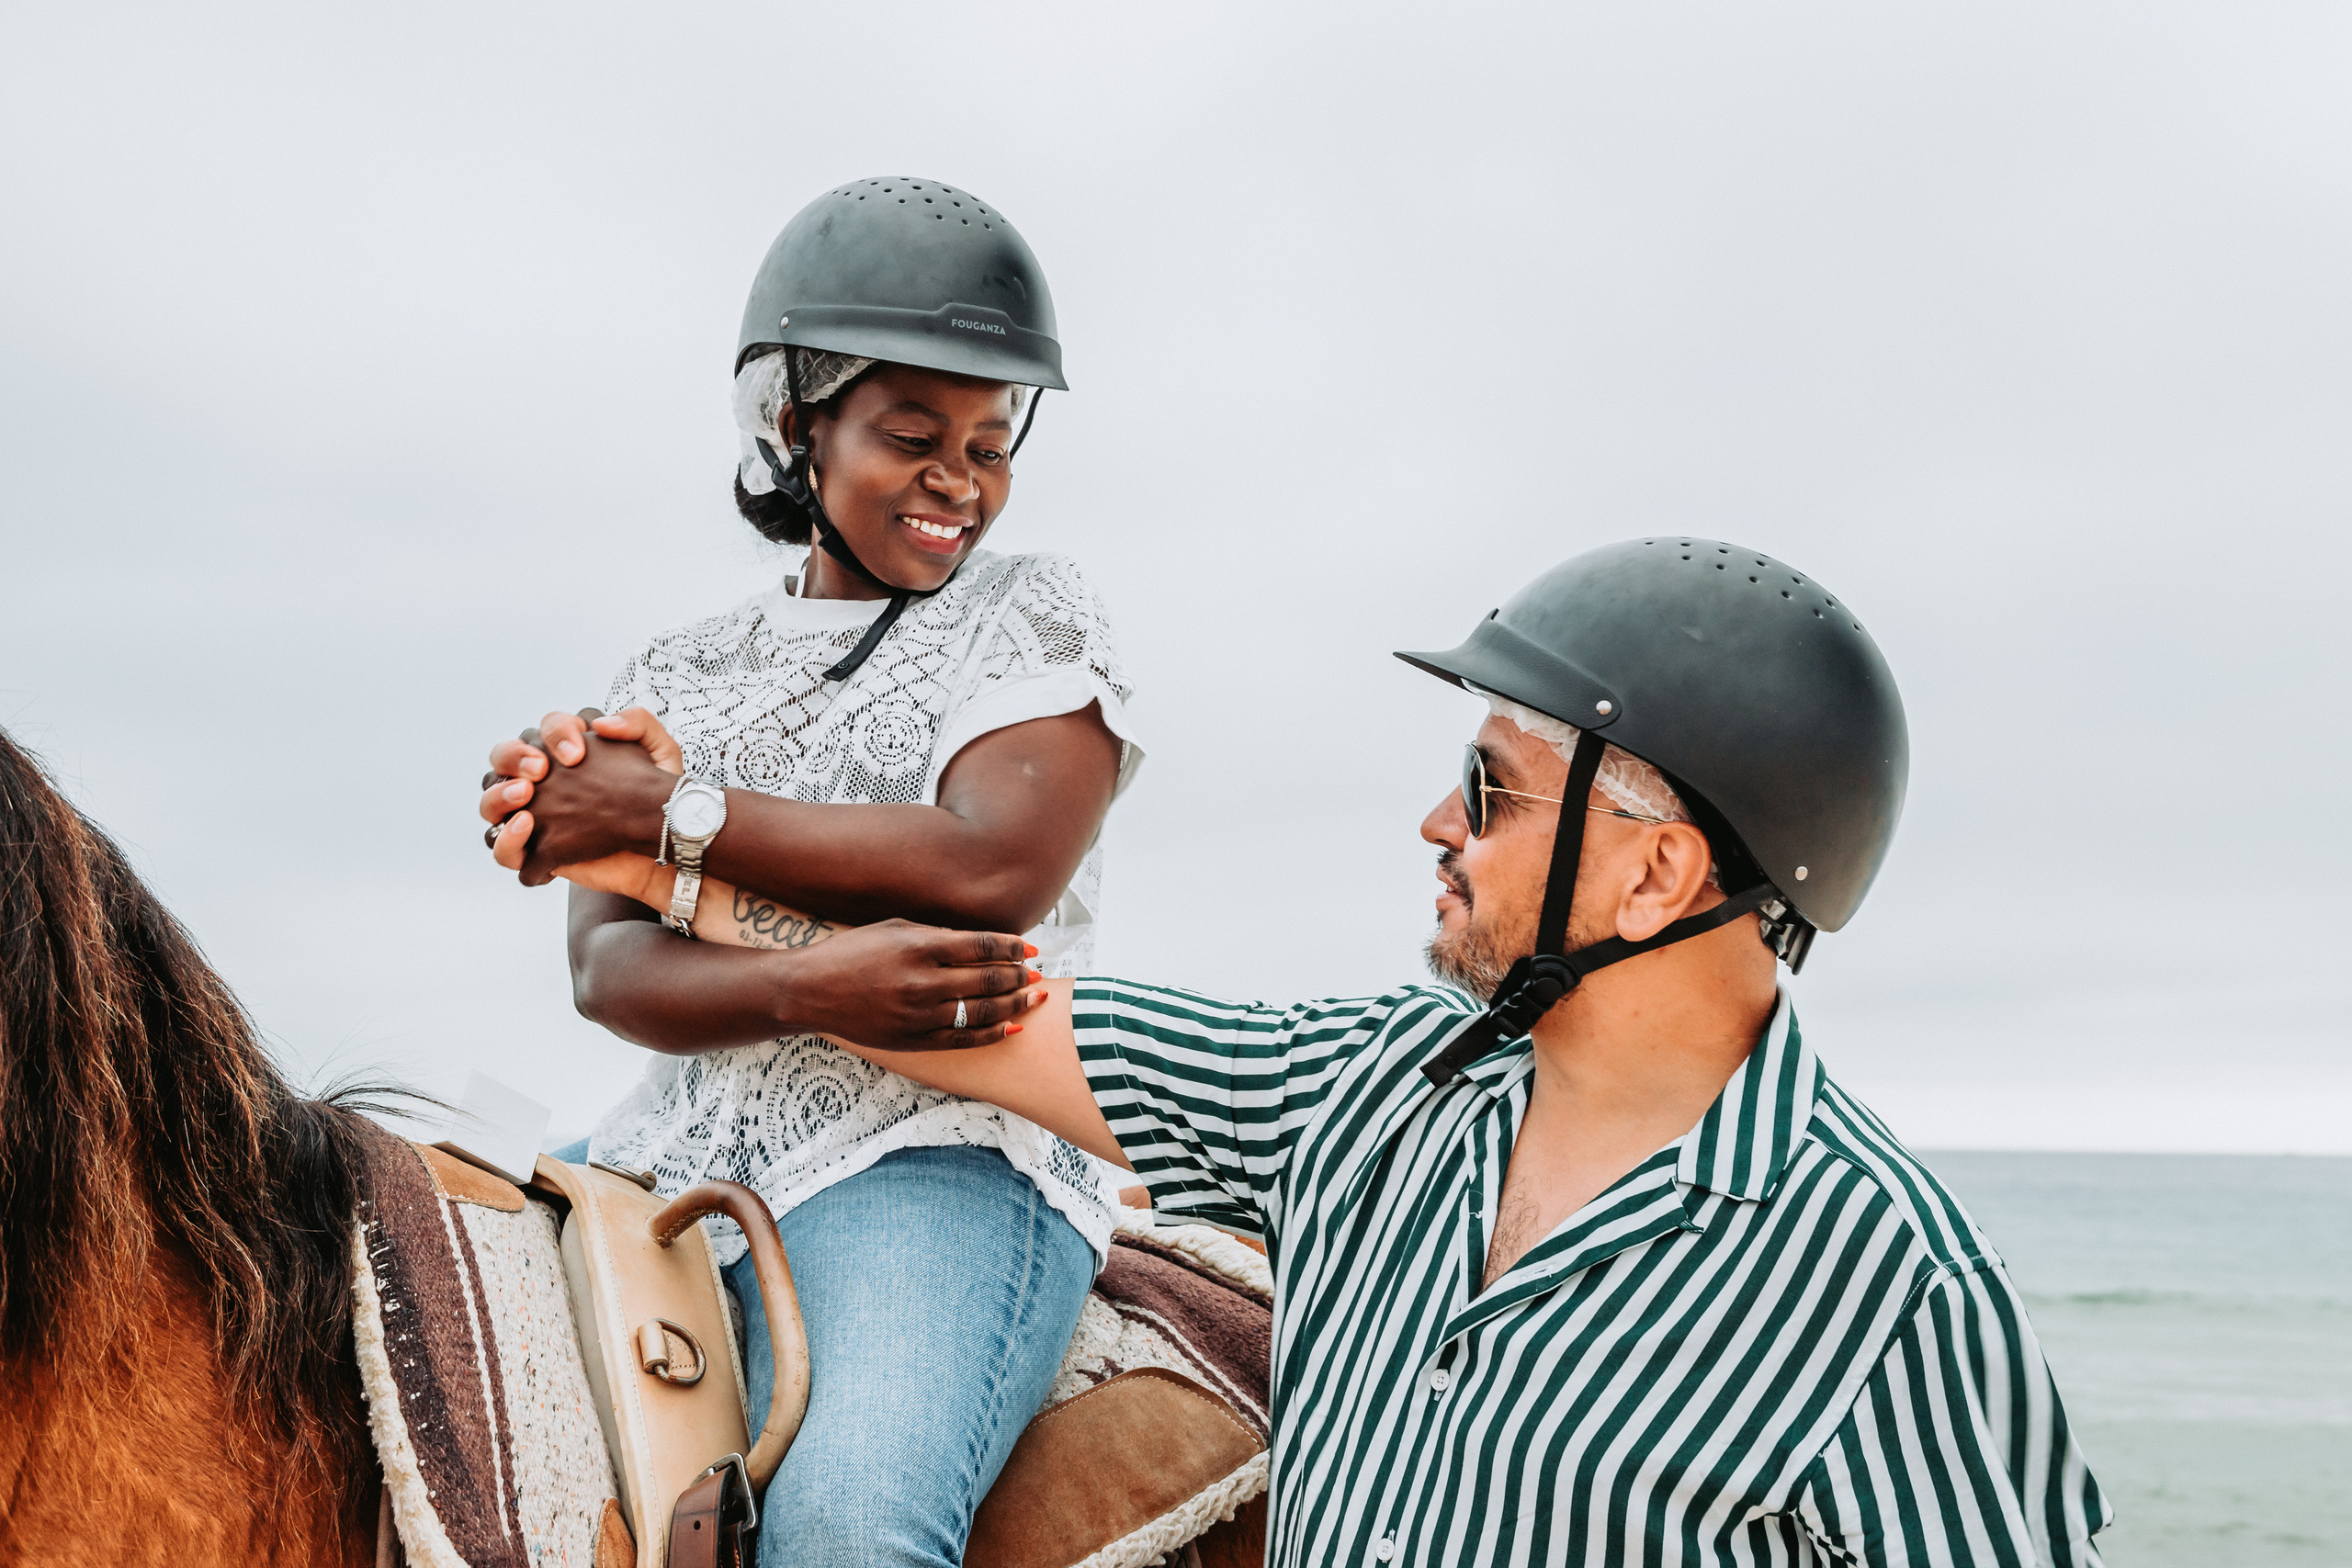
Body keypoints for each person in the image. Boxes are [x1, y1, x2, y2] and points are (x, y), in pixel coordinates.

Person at [560, 537, 2111, 1565]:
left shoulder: (1886, 1293)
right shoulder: (1378, 1091)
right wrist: (654, 854)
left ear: (1657, 872)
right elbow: (981, 1012)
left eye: (1490, 788)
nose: (1439, 825)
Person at [475, 177, 1141, 1568]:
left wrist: (666, 809)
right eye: (912, 434)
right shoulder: (675, 668)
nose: (961, 479)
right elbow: (607, 969)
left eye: (991, 441)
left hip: (938, 1155)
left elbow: (988, 869)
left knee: (846, 1530)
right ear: (795, 424)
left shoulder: (1037, 614)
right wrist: (810, 983)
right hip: (664, 1144)